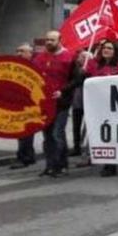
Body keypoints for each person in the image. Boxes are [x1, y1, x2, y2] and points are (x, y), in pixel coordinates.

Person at [34, 31, 76, 178]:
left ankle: (61, 165)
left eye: (52, 40)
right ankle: (50, 165)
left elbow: (75, 80)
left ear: (60, 40)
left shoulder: (70, 57)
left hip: (61, 103)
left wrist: (62, 92)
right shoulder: (39, 58)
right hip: (44, 103)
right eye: (47, 40)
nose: (48, 42)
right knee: (47, 136)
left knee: (57, 134)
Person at [84, 42, 118, 177]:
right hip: (96, 106)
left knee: (110, 135)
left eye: (110, 48)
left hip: (113, 107)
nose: (106, 50)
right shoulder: (94, 65)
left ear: (115, 51)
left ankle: (110, 165)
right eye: (104, 48)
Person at [10, 43, 37, 169]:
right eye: (17, 50)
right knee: (22, 132)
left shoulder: (35, 66)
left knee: (25, 131)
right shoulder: (15, 66)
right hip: (18, 102)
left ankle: (23, 157)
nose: (18, 53)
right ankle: (28, 155)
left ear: (30, 53)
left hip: (30, 104)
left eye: (22, 51)